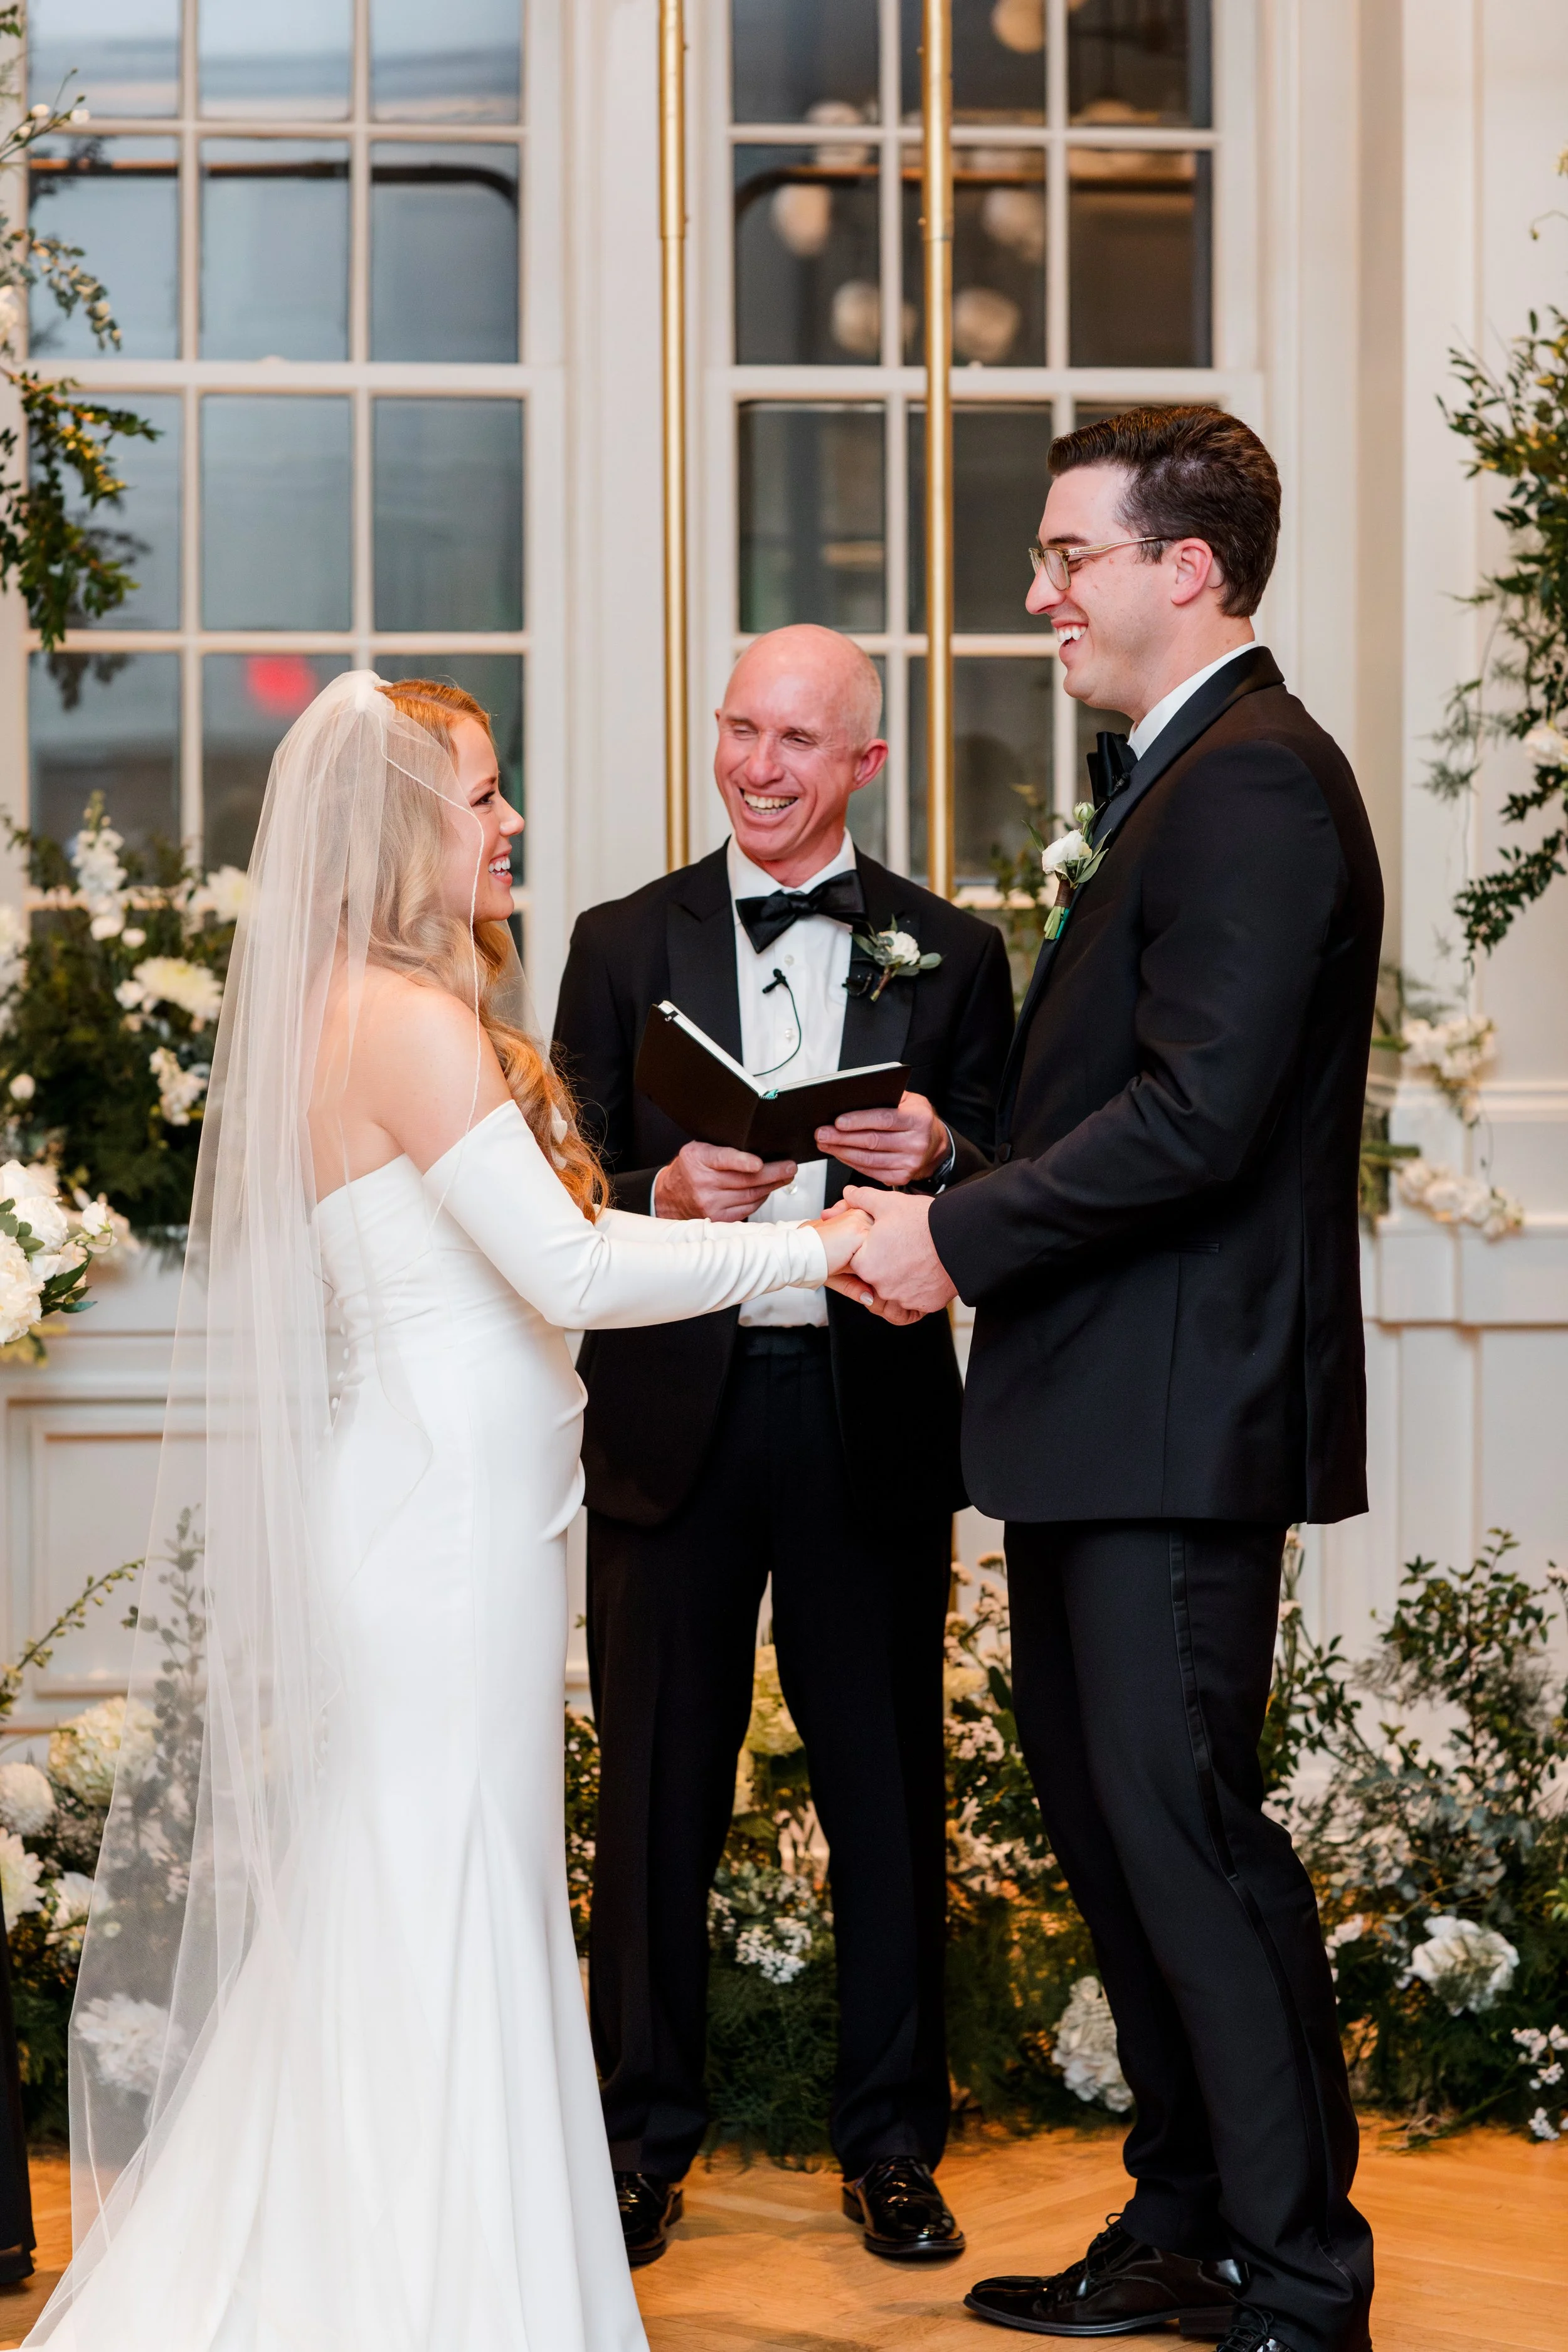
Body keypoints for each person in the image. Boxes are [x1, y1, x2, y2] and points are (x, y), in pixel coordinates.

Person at [30, 674, 871, 2352]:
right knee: (438, 1885)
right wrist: (825, 1247)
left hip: (445, 1507)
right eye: (481, 798)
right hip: (438, 1527)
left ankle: (412, 2274)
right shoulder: (401, 1022)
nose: (508, 827)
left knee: (416, 1880)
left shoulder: (366, 1007)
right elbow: (562, 1266)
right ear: (401, 826)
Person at [839, 410, 1381, 2352]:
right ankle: (1187, 2218)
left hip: (1169, 1418)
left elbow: (1202, 1121)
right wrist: (961, 1164)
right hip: (1108, 1411)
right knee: (1120, 1827)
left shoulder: (1252, 785)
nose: (1038, 589)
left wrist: (956, 1242)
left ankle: (1300, 2273)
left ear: (1189, 571)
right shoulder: (1189, 774)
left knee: (1186, 1834)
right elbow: (1140, 1108)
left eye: (1070, 554)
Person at [551, 625, 1015, 2265]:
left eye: (796, 742)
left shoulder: (953, 953)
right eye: (740, 731)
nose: (757, 766)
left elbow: (1025, 1177)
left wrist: (944, 1149)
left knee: (887, 1794)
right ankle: (632, 2139)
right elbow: (557, 1181)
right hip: (671, 1413)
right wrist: (651, 1192)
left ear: (863, 766)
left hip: (864, 1412)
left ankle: (892, 2142)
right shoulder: (617, 941)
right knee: (656, 1795)